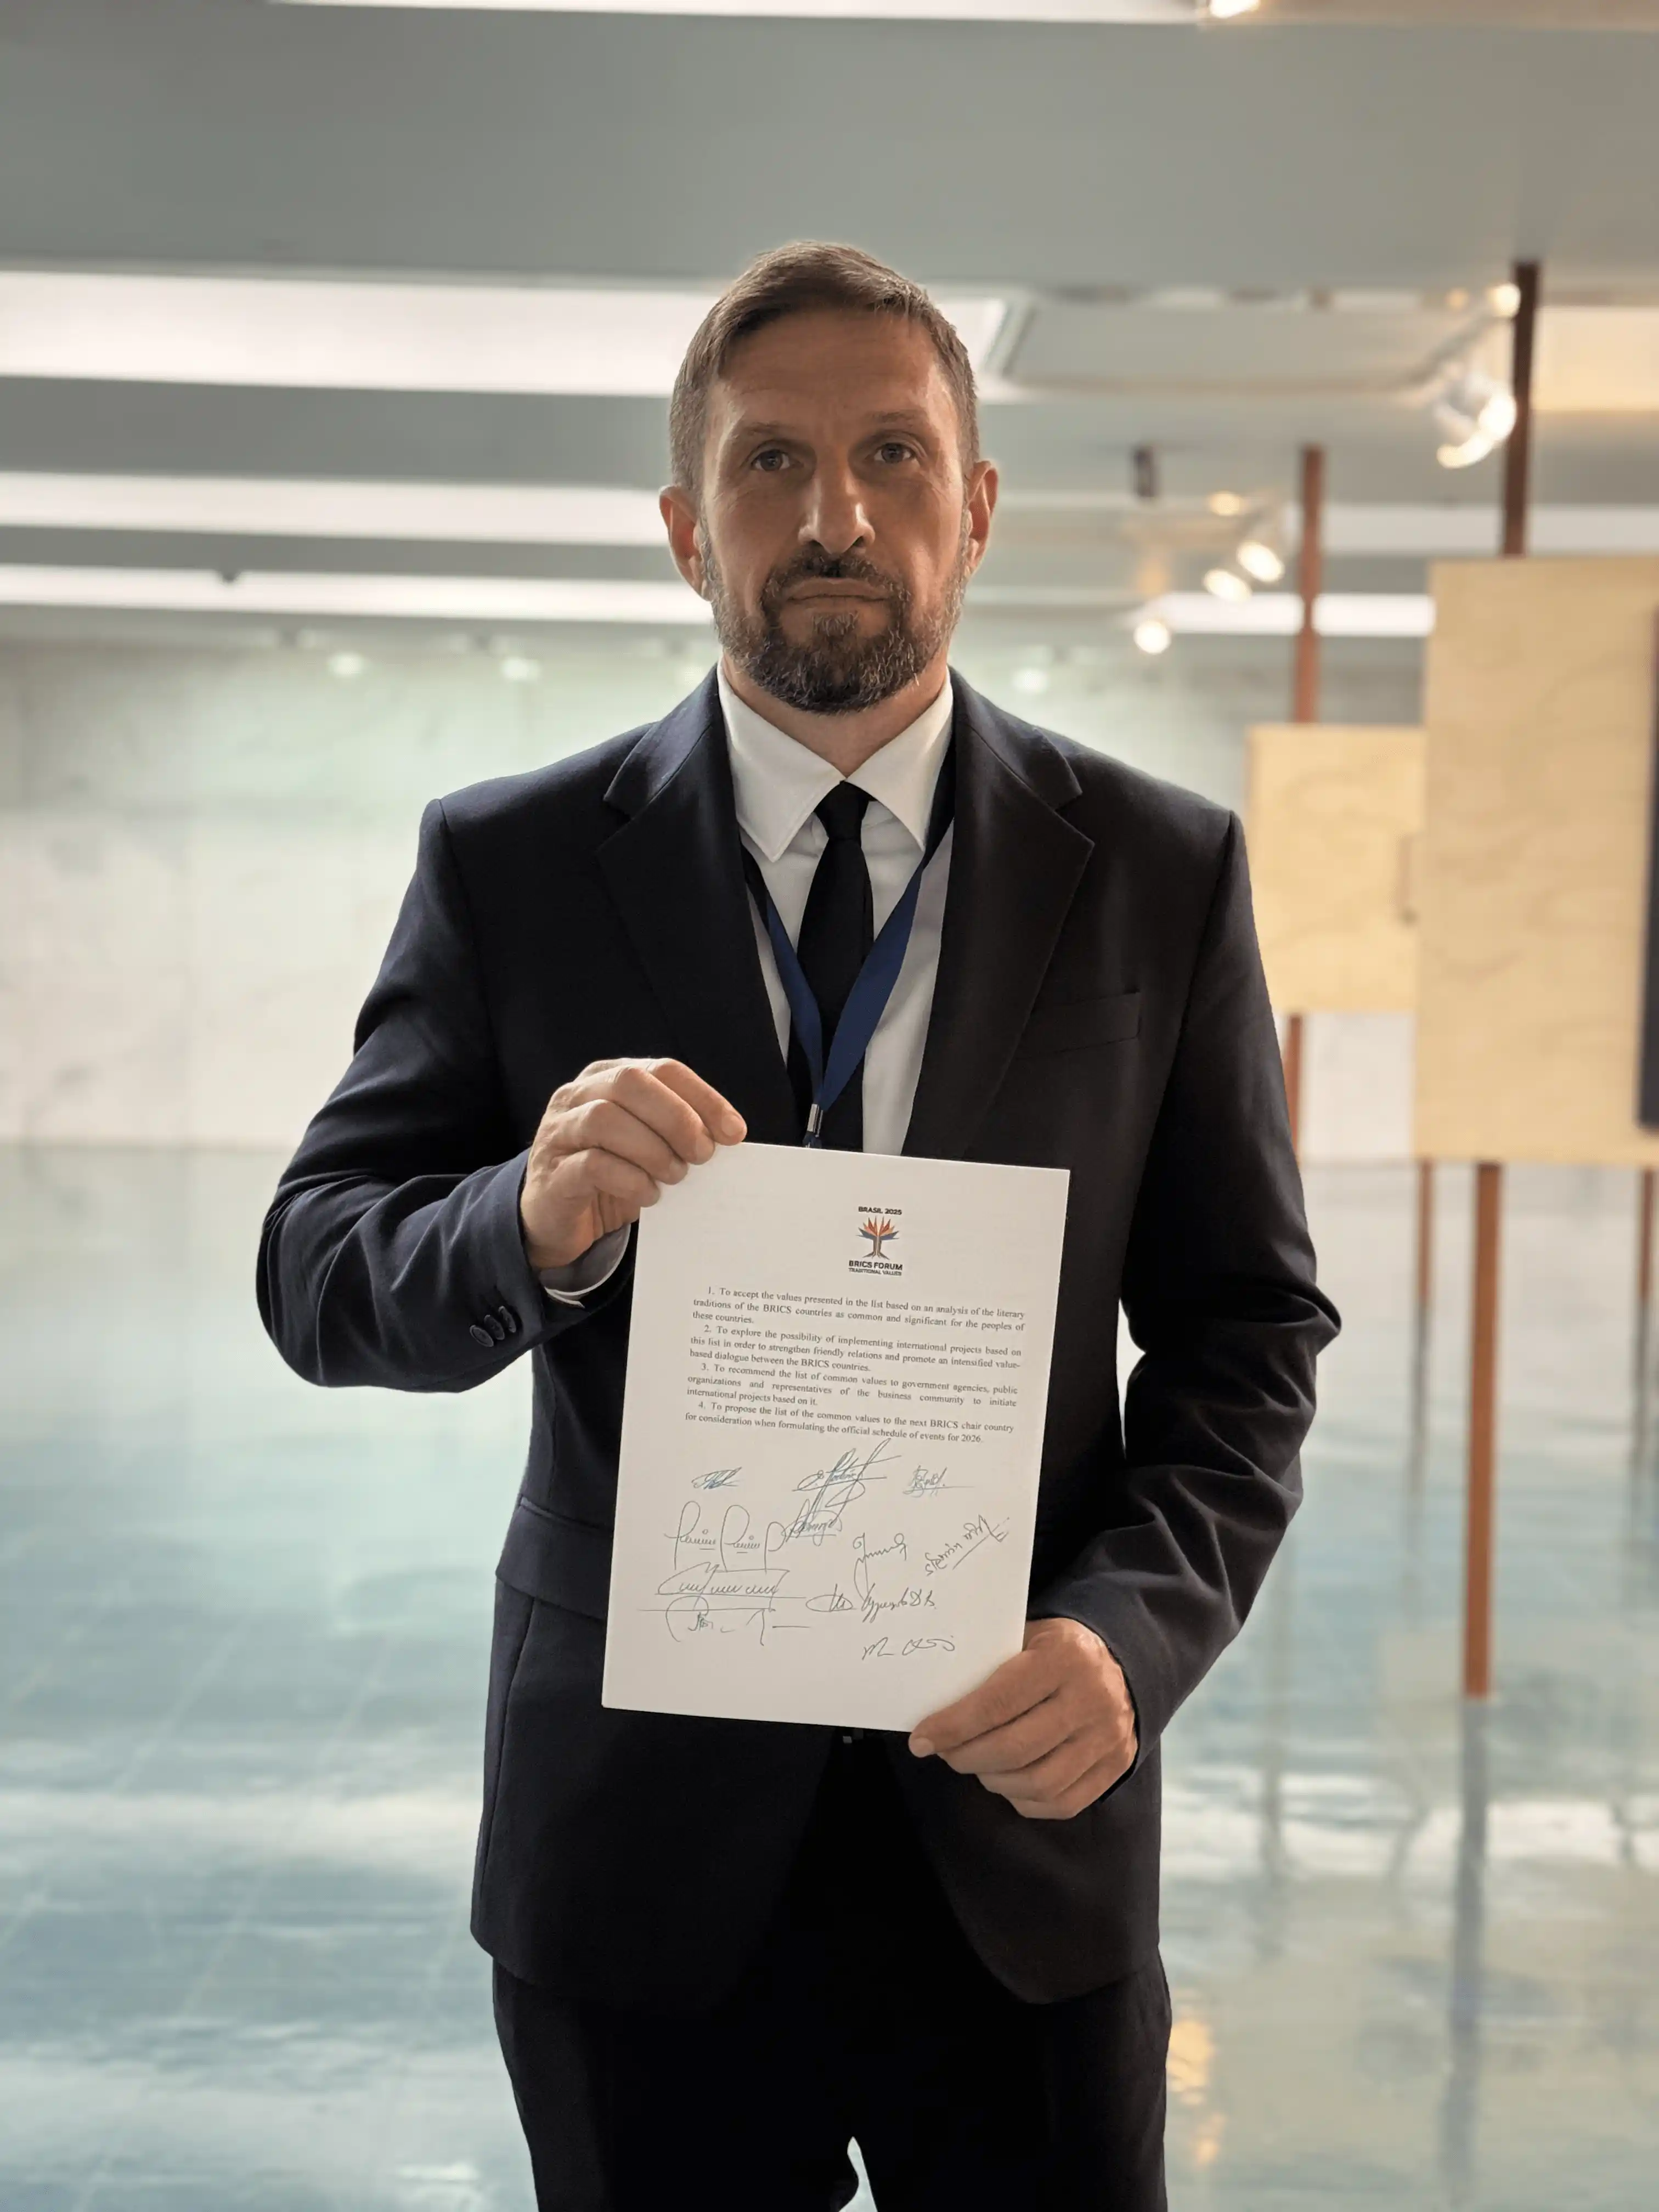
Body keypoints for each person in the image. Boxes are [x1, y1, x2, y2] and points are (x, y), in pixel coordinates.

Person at [259, 241, 1339, 2211]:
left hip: (1022, 1837)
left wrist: (1133, 1635)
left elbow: (1248, 1330)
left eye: (893, 457)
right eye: (769, 464)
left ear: (978, 507)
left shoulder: (1162, 872)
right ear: (687, 528)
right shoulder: (508, 865)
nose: (834, 513)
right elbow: (320, 1268)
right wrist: (527, 1216)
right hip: (638, 1866)